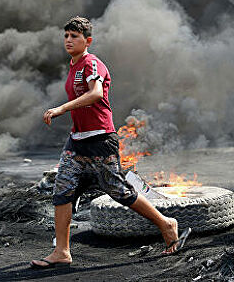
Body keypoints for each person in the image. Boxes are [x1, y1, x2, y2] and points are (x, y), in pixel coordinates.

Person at [31, 16, 190, 269]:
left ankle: (166, 223)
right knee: (62, 189)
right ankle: (62, 251)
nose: (69, 40)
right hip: (77, 141)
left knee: (117, 190)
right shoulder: (73, 66)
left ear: (88, 41)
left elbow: (94, 94)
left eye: (74, 36)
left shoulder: (92, 64)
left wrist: (62, 108)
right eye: (66, 36)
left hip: (101, 140)